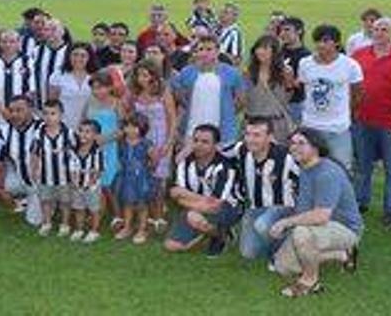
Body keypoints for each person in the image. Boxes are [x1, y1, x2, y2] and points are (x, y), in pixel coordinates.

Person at [270, 128, 363, 298]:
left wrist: (285, 223)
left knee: (301, 233)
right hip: (320, 227)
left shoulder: (327, 173)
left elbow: (321, 216)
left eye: (301, 143)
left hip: (345, 228)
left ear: (316, 147)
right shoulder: (305, 167)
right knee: (283, 266)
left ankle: (310, 281)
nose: (294, 147)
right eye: (292, 143)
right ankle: (344, 254)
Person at [352, 17, 391, 223]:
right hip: (362, 119)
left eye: (384, 29)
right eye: (376, 29)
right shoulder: (359, 55)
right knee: (363, 165)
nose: (379, 33)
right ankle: (360, 201)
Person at [164, 124, 242, 257]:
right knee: (171, 246)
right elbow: (176, 195)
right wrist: (199, 203)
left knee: (193, 217)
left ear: (216, 145)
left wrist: (187, 199)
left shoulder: (225, 167)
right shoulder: (185, 163)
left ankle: (219, 235)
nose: (198, 145)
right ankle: (210, 233)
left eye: (205, 142)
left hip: (227, 209)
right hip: (195, 208)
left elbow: (216, 205)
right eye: (195, 140)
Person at [227, 118, 297, 261]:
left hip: (283, 208)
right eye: (248, 134)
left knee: (263, 225)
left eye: (257, 135)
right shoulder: (241, 150)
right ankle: (282, 243)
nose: (251, 140)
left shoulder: (287, 158)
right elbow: (218, 152)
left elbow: (307, 181)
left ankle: (282, 254)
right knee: (249, 253)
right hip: (254, 209)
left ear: (270, 137)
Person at [295, 24, 363, 172]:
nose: (321, 45)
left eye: (326, 41)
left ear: (337, 43)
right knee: (307, 168)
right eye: (318, 41)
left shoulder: (350, 65)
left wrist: (346, 113)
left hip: (337, 129)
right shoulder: (305, 63)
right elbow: (303, 88)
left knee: (341, 170)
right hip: (310, 126)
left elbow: (357, 93)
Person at [125, 59, 177, 232]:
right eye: (139, 75)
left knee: (160, 179)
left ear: (154, 75)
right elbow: (130, 116)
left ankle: (158, 216)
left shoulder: (163, 92)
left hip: (161, 137)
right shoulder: (134, 93)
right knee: (144, 177)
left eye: (146, 75)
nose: (142, 78)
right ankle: (144, 214)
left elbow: (172, 118)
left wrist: (169, 143)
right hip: (141, 139)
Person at [172, 34, 245, 149]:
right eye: (201, 49)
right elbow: (179, 97)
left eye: (209, 49)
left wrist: (228, 112)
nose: (204, 53)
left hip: (223, 133)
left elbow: (241, 100)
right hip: (192, 131)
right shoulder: (186, 72)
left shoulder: (231, 73)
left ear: (217, 51)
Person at [0, 95, 42, 225]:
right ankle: (29, 199)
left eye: (19, 110)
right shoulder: (5, 130)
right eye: (11, 110)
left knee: (35, 221)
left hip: (48, 182)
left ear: (31, 110)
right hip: (25, 180)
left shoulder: (44, 127)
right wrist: (1, 190)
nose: (14, 114)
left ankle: (51, 201)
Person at [83, 70, 123, 229]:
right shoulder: (89, 102)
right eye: (94, 88)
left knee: (108, 183)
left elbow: (123, 130)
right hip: (93, 149)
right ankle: (96, 212)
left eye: (101, 87)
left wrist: (105, 139)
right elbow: (83, 123)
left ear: (110, 87)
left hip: (110, 147)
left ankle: (118, 215)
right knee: (94, 181)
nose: (97, 91)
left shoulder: (117, 103)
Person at [31, 99, 76, 237]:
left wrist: (74, 173)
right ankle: (47, 222)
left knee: (65, 201)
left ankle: (65, 224)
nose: (49, 117)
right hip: (46, 174)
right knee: (45, 200)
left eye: (53, 113)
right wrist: (34, 169)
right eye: (45, 114)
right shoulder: (39, 133)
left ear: (61, 114)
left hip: (64, 175)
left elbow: (75, 154)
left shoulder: (68, 133)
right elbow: (34, 153)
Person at [0, 30, 35, 138]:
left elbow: (31, 90)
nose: (8, 45)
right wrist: (4, 110)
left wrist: (17, 109)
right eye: (4, 41)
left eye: (12, 42)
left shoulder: (27, 61)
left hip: (21, 116)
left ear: (18, 43)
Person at [114, 113, 156, 244]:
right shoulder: (122, 142)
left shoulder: (146, 143)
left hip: (141, 178)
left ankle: (142, 229)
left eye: (134, 127)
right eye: (127, 126)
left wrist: (150, 167)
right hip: (126, 176)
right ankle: (127, 227)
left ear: (142, 128)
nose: (130, 130)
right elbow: (121, 156)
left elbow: (154, 158)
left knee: (142, 204)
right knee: (127, 203)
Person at [244, 35, 293, 143]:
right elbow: (244, 99)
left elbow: (287, 98)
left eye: (265, 48)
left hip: (277, 125)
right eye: (258, 48)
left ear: (274, 52)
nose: (260, 51)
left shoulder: (285, 72)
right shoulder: (248, 73)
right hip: (253, 124)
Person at [68, 120, 103, 243]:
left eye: (88, 132)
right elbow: (72, 168)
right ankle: (79, 229)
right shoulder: (74, 150)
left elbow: (98, 171)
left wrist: (90, 183)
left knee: (94, 209)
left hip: (91, 187)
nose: (83, 134)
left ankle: (94, 231)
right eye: (81, 131)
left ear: (95, 135)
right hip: (77, 186)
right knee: (79, 208)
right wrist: (74, 181)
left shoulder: (97, 152)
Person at [49, 42, 96, 131]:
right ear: (69, 56)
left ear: (89, 58)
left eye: (83, 56)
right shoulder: (58, 75)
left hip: (88, 128)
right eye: (75, 55)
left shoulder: (94, 76)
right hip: (64, 126)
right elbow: (52, 104)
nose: (78, 58)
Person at [279, 17, 311, 124]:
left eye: (287, 30)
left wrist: (290, 80)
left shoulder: (306, 57)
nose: (283, 33)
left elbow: (305, 85)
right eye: (281, 30)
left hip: (295, 105)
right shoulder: (277, 53)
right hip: (274, 103)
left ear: (299, 31)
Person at [33, 19, 70, 109]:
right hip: (39, 107)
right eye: (46, 30)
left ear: (62, 32)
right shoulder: (36, 51)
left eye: (54, 29)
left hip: (64, 107)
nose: (50, 33)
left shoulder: (70, 52)